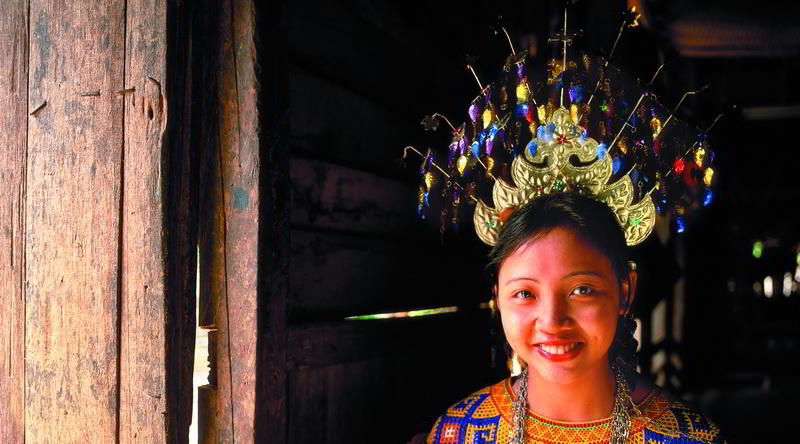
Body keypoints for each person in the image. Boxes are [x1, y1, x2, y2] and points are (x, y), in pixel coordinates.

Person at [425, 193, 726, 444]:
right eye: (525, 294)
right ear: (498, 298)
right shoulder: (457, 433)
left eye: (582, 290)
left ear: (625, 292)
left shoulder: (690, 438)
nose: (552, 321)